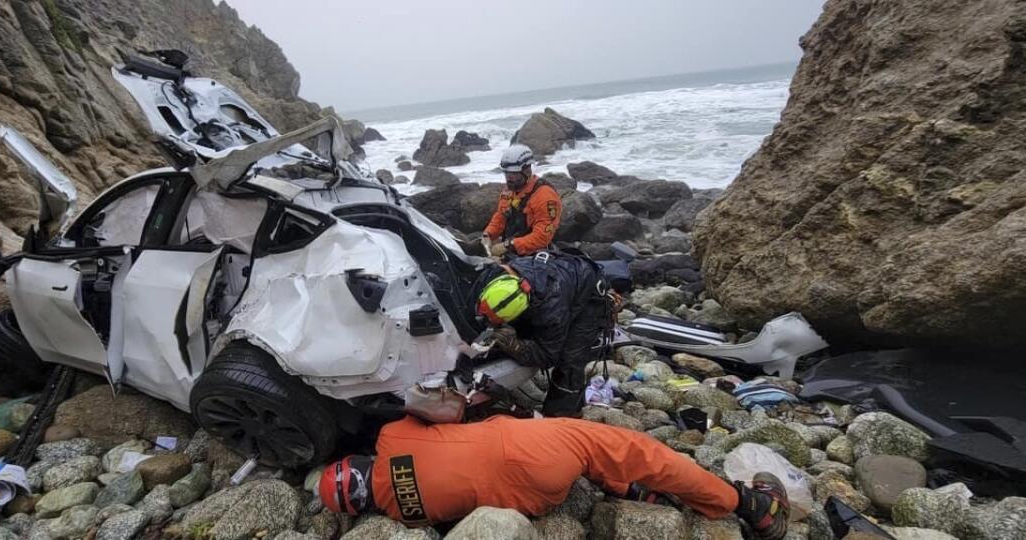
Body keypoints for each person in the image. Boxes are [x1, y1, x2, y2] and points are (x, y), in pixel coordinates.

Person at [318, 415, 790, 540]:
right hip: (531, 449)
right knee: (636, 450)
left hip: (538, 500)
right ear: (357, 462)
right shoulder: (392, 437)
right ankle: (749, 506)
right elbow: (446, 409)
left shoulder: (407, 515)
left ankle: (635, 493)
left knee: (588, 466)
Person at [474, 250, 610, 417]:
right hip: (561, 276)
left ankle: (562, 415)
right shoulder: (498, 276)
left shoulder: (552, 311)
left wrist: (515, 346)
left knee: (570, 360)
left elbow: (548, 355)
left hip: (588, 296)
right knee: (521, 334)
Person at [482, 144, 562, 258]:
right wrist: (487, 235)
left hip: (536, 255)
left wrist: (509, 245)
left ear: (527, 171)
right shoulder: (509, 191)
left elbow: (542, 237)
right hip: (512, 250)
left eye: (513, 174)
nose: (509, 178)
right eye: (507, 173)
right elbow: (500, 217)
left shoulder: (545, 196)